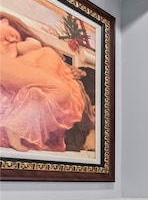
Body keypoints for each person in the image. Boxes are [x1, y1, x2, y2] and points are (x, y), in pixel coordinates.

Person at [0, 12, 85, 152]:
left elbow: (34, 47)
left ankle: (34, 98)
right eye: (10, 36)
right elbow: (34, 44)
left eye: (15, 38)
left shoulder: (17, 48)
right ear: (4, 21)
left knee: (48, 54)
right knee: (60, 89)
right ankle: (16, 125)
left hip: (14, 68)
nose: (11, 40)